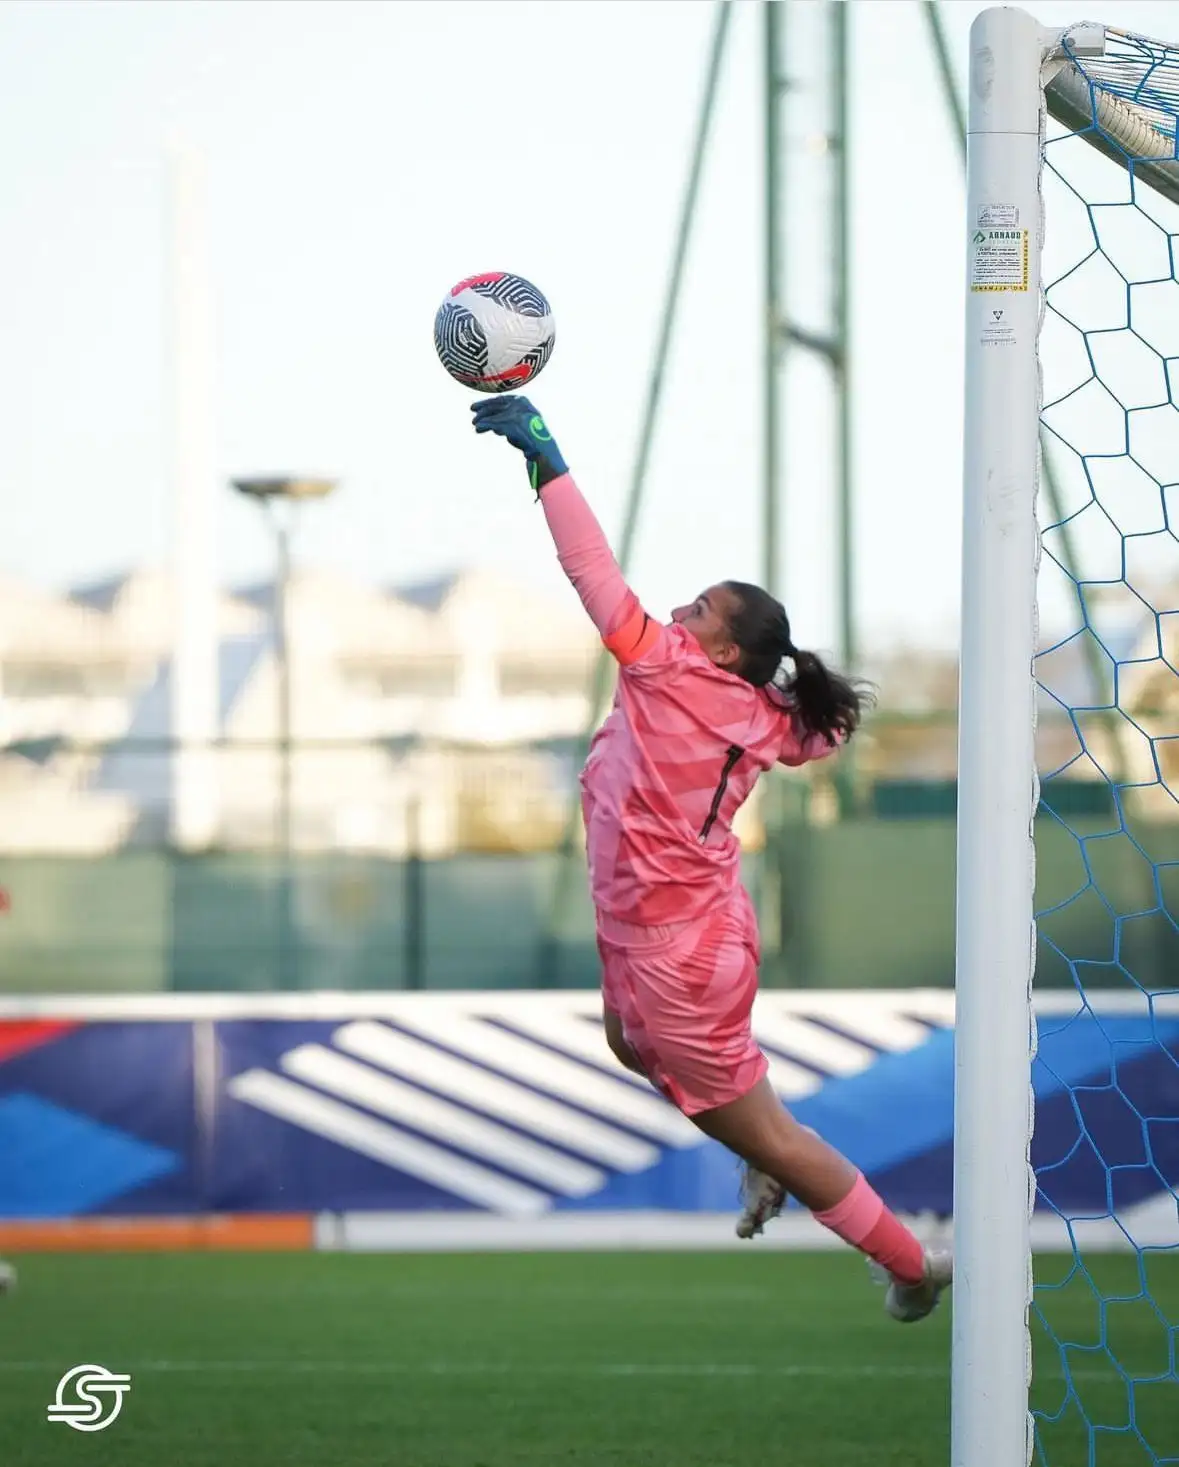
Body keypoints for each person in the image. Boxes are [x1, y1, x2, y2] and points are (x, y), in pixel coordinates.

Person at [471, 394, 952, 1323]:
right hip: (697, 926)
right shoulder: (767, 717)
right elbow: (830, 726)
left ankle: (909, 1264)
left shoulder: (663, 667)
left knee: (775, 1135)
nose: (676, 610)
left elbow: (587, 567)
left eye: (697, 607)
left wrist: (547, 461)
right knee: (623, 1038)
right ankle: (764, 1158)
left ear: (721, 646)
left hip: (673, 951)